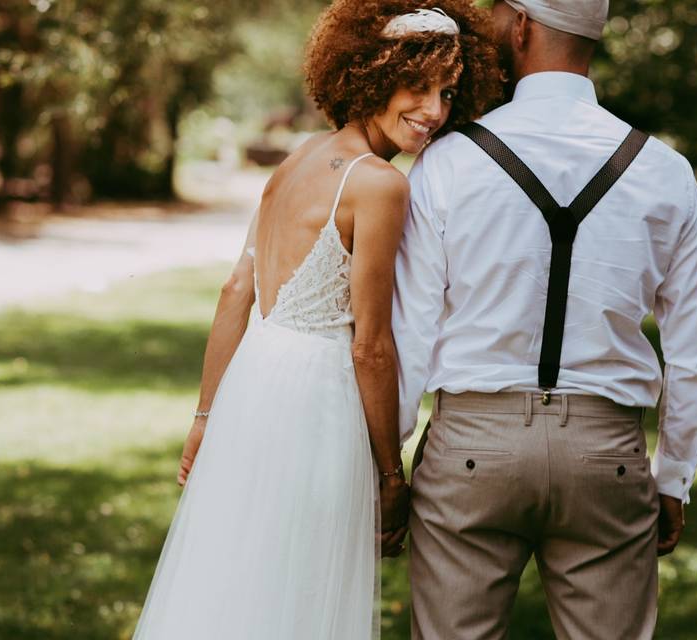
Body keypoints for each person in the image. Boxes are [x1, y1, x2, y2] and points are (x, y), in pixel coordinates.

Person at [131, 2, 502, 638]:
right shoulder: (379, 186)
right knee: (303, 590)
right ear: (373, 75)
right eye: (417, 87)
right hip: (319, 405)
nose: (435, 111)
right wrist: (391, 474)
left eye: (446, 92)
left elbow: (235, 293)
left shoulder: (299, 158)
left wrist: (204, 418)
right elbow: (371, 347)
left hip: (253, 389)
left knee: (242, 577)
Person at [394, 1, 697, 638]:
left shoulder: (448, 161)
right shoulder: (665, 170)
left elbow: (411, 332)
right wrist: (675, 477)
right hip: (606, 459)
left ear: (520, 26)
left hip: (471, 450)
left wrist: (389, 463)